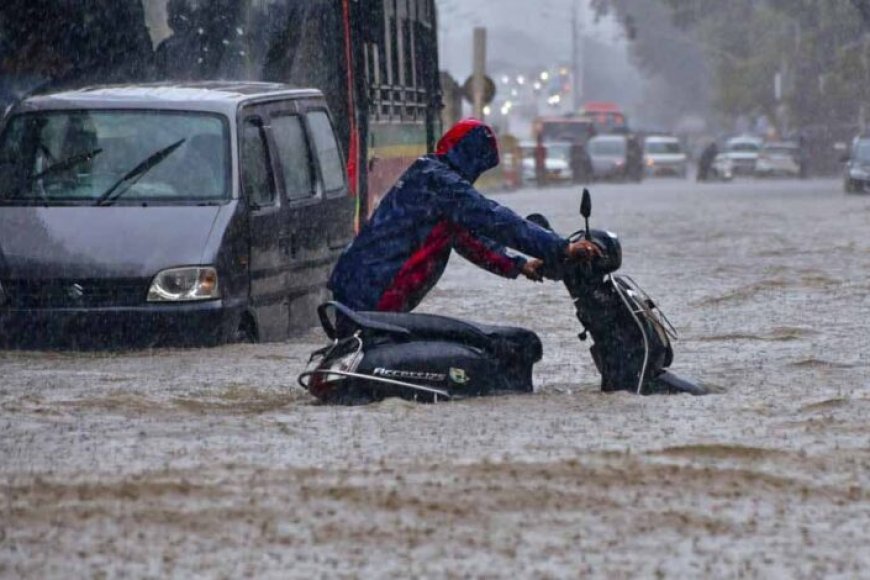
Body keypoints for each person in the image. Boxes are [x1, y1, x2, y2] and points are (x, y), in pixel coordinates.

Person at [328, 119, 602, 313]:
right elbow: (495, 219)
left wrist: (518, 265)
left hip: (357, 289)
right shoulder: (442, 184)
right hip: (374, 294)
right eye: (481, 165)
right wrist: (561, 247)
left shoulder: (428, 175)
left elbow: (470, 241)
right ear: (471, 157)